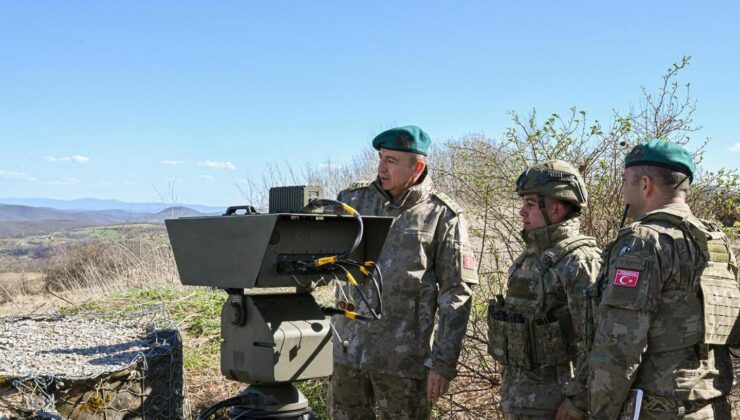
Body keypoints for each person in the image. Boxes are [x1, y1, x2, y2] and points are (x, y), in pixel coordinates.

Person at [328, 125, 479, 419]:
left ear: (417, 166)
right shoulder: (353, 202)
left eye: (391, 161)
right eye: (381, 158)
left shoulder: (442, 215)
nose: (381, 168)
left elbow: (457, 293)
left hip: (403, 364)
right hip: (346, 354)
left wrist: (443, 362)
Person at [587, 139, 739, 419]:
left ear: (645, 184)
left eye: (624, 182)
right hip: (712, 408)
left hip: (659, 410)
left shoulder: (643, 241)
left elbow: (620, 346)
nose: (622, 191)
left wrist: (600, 413)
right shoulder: (715, 242)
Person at [487, 160, 601, 419]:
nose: (521, 212)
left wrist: (577, 402)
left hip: (556, 406)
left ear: (557, 209)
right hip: (519, 402)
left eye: (529, 204)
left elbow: (595, 343)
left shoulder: (580, 262)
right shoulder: (529, 258)